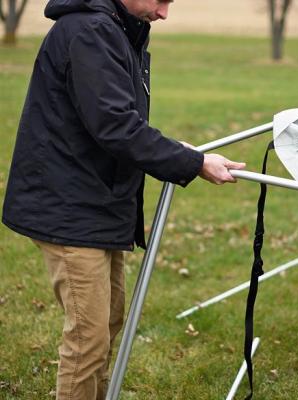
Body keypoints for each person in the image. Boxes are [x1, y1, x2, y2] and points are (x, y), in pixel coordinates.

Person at [2, 0, 245, 398]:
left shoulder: (117, 27)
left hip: (95, 200)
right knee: (88, 339)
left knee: (107, 321)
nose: (165, 13)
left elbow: (114, 118)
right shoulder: (90, 32)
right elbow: (116, 127)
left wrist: (176, 149)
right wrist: (193, 162)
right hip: (69, 206)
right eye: (161, 0)